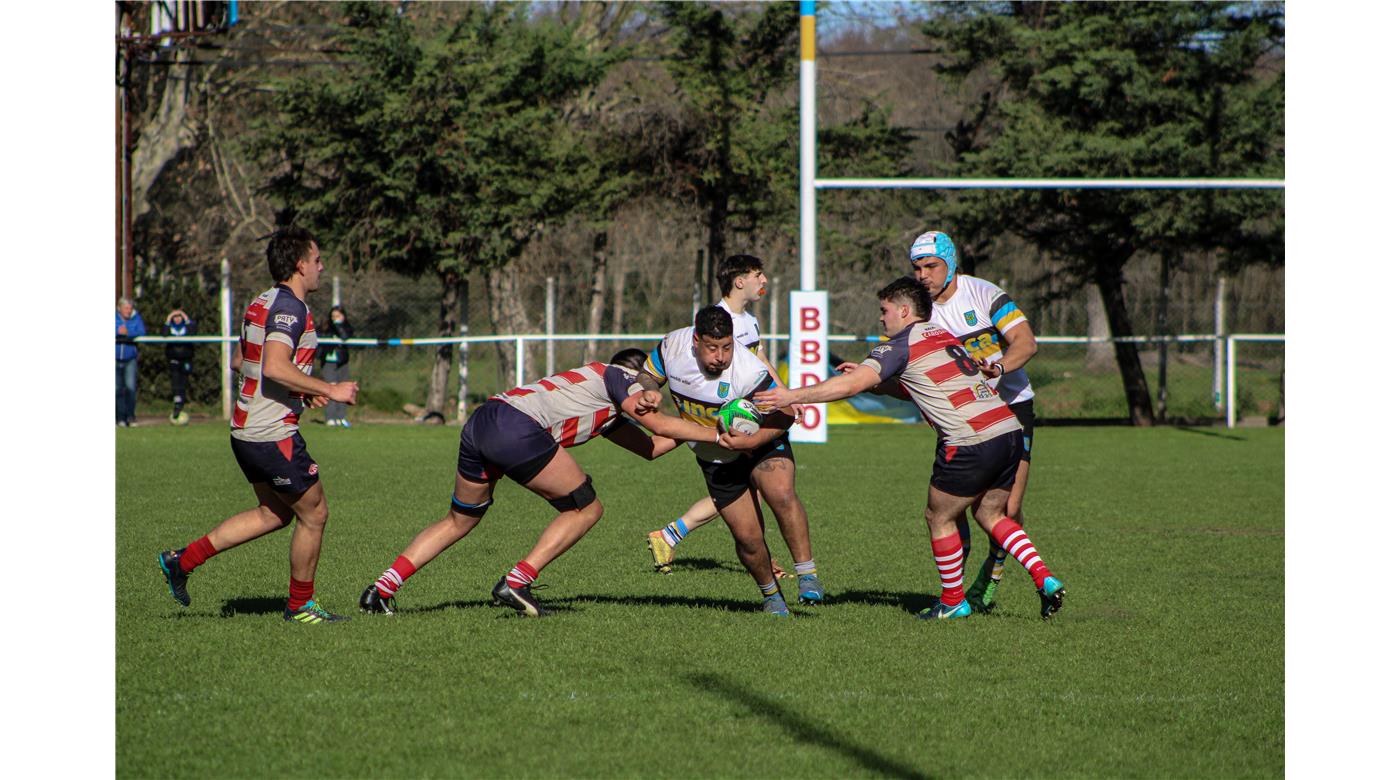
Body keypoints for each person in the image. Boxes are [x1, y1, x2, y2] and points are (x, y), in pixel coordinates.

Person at [757, 277, 1065, 620]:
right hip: (1007, 429)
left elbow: (850, 384)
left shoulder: (898, 344)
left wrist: (791, 395)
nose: (880, 318)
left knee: (939, 516)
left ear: (904, 310)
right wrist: (876, 384)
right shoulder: (942, 336)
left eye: (884, 310)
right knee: (990, 514)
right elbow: (917, 388)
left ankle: (952, 602)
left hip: (970, 439)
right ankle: (1045, 577)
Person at [358, 349, 727, 617]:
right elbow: (659, 423)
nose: (650, 402)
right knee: (586, 507)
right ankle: (517, 581)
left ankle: (382, 589)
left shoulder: (606, 404)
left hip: (484, 421)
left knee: (460, 519)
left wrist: (695, 426)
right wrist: (717, 429)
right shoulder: (622, 377)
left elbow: (652, 447)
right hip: (516, 428)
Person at [157, 227, 360, 624]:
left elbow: (242, 362)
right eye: (317, 260)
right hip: (272, 435)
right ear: (300, 265)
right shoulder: (292, 309)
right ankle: (301, 606)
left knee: (274, 513)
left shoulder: (261, 302)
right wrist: (329, 388)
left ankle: (182, 561)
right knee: (314, 514)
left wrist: (301, 390)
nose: (321, 266)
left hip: (246, 430)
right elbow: (274, 366)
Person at [640, 306, 817, 616]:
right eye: (712, 347)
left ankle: (807, 575)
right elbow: (647, 375)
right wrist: (651, 390)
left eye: (726, 347)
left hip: (762, 443)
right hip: (715, 457)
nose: (721, 356)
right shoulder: (671, 347)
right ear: (695, 341)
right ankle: (772, 597)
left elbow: (786, 413)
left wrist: (751, 441)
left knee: (780, 493)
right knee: (748, 538)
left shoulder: (748, 371)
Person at [906, 230, 1040, 613]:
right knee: (952, 508)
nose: (922, 276)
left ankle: (990, 579)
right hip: (960, 417)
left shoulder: (983, 294)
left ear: (950, 264)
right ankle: (955, 593)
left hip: (1011, 408)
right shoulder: (919, 309)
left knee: (1008, 508)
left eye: (931, 266)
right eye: (917, 268)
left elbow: (1026, 342)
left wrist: (995, 368)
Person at [646, 254, 800, 582]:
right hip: (718, 428)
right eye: (758, 275)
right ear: (739, 280)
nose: (764, 281)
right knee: (745, 491)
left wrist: (785, 395)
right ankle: (673, 533)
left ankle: (674, 535)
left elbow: (760, 363)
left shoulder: (749, 320)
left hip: (744, 421)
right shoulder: (720, 320)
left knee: (761, 489)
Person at [318, 304, 354, 427]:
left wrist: (339, 326)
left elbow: (345, 336)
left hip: (342, 361)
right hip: (328, 362)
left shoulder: (347, 327)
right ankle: (330, 418)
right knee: (331, 388)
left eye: (338, 316)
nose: (335, 319)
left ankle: (341, 417)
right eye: (333, 317)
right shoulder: (326, 327)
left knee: (343, 388)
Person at [116, 297, 146, 427]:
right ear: (120, 308)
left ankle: (130, 416)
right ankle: (119, 418)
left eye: (130, 308)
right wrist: (117, 332)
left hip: (130, 359)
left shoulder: (136, 318)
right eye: (126, 308)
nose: (128, 311)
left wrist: (129, 333)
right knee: (117, 389)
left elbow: (141, 332)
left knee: (130, 388)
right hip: (115, 358)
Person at [163, 307, 196, 425]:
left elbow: (193, 331)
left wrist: (185, 316)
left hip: (186, 359)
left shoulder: (186, 327)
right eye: (175, 317)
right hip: (174, 359)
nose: (177, 319)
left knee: (184, 382)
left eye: (179, 317)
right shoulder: (170, 328)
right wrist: (168, 318)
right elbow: (165, 334)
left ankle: (181, 402)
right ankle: (177, 403)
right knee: (176, 381)